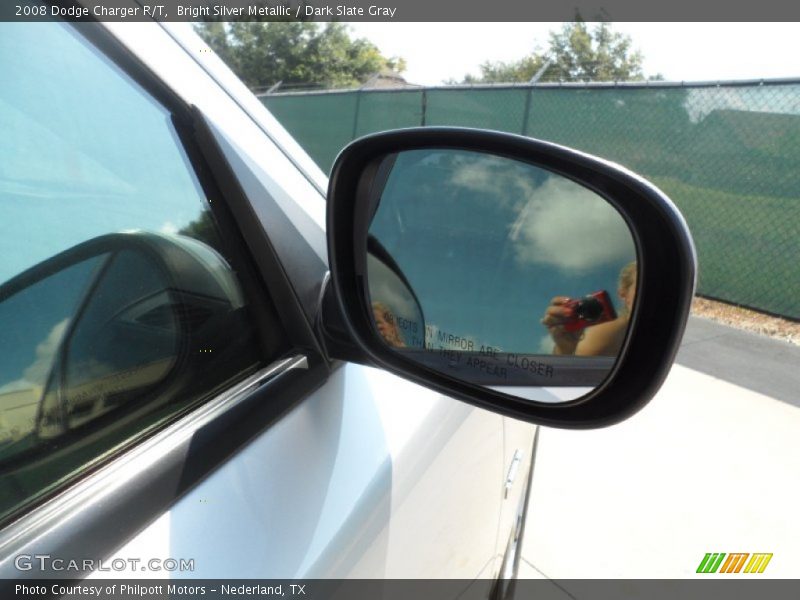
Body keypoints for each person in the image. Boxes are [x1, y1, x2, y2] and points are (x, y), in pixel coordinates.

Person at [541, 262, 637, 357]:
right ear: (624, 295)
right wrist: (564, 349)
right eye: (644, 287)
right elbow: (576, 370)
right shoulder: (609, 336)